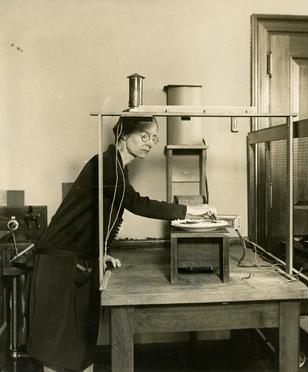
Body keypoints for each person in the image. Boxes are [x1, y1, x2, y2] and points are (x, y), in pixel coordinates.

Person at [28, 116, 215, 372]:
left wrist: (100, 252)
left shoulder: (116, 167)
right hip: (59, 264)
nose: (150, 143)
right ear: (124, 135)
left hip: (76, 259)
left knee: (79, 350)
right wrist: (190, 210)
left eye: (154, 138)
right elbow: (135, 202)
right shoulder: (106, 164)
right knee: (58, 353)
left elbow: (96, 217)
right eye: (144, 136)